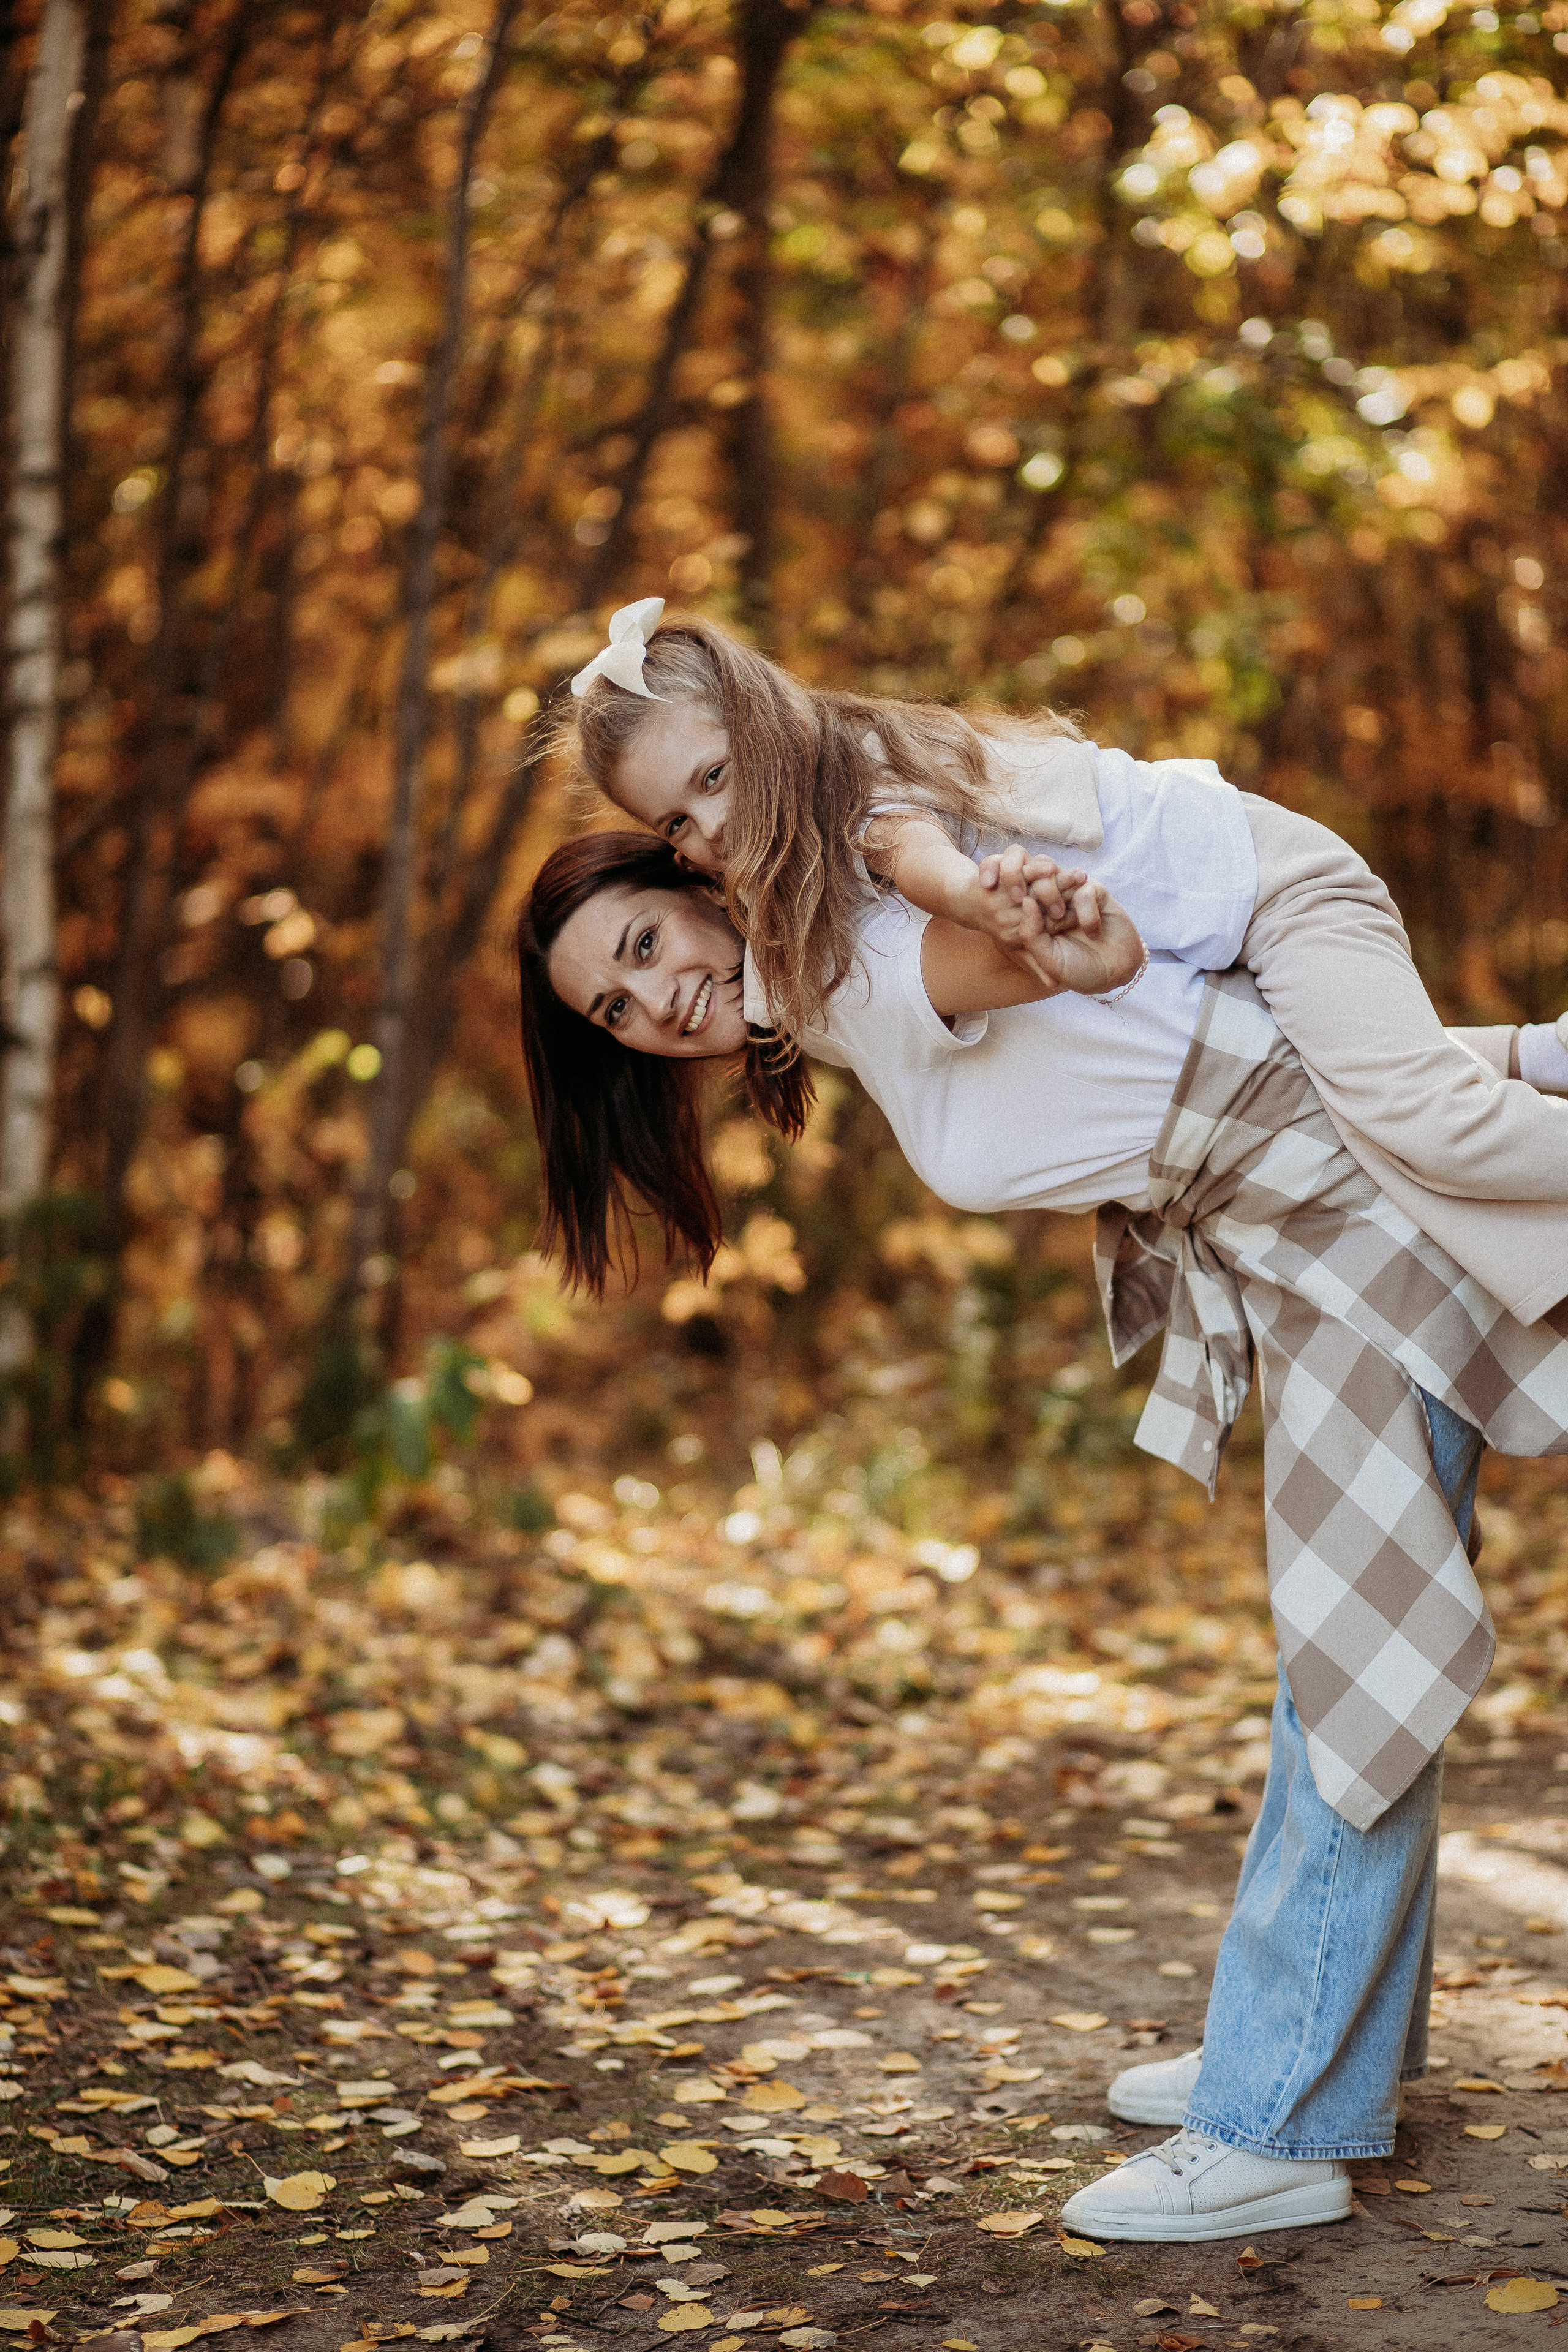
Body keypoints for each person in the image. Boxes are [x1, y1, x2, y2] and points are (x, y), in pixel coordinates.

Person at [515, 826, 1568, 2245]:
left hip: (1355, 1236)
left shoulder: (864, 950)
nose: (658, 1008)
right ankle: (1312, 2045)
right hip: (1314, 1240)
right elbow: (1164, 1031)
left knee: (1350, 1672)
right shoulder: (830, 984)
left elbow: (1109, 959)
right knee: (1336, 1668)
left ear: (706, 881)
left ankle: (1279, 2119)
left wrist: (918, 858)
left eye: (647, 948)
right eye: (616, 1012)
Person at [570, 599, 1568, 1330]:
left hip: (1273, 889)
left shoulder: (853, 776)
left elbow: (915, 855)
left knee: (1428, 1125)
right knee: (1368, 1088)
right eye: (677, 823)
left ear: (763, 724)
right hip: (1223, 938)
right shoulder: (806, 884)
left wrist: (975, 898)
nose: (711, 827)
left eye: (714, 779)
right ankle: (1546, 1058)